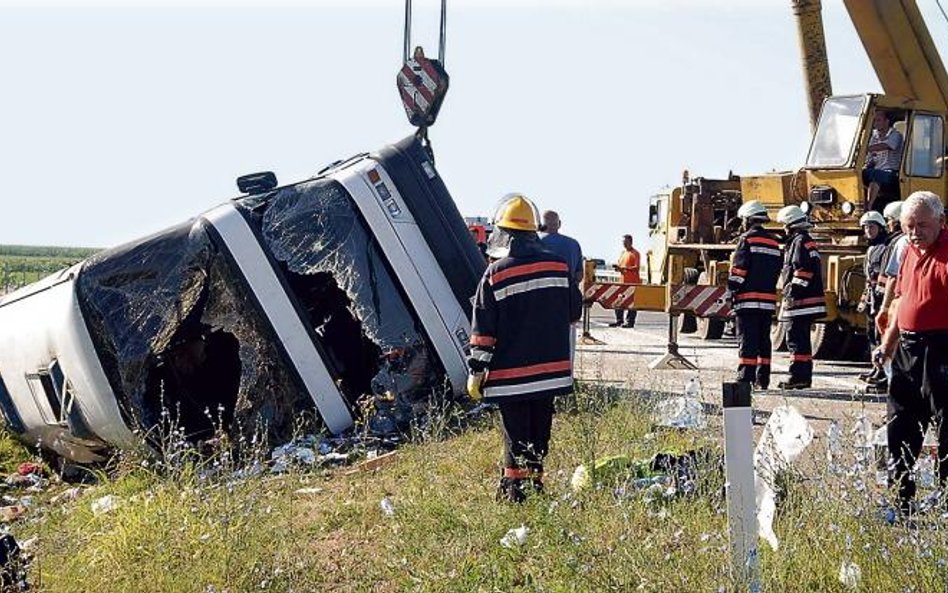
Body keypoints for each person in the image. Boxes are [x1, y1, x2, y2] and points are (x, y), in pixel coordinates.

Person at [467, 193, 582, 503]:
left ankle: (515, 492)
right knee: (539, 431)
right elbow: (575, 313)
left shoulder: (495, 274)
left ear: (503, 234)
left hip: (510, 375)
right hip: (551, 374)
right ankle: (536, 484)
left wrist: (476, 370)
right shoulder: (559, 266)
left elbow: (483, 332)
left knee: (515, 434)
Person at [872, 191, 948, 514]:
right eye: (908, 225)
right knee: (900, 423)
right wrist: (886, 346)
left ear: (941, 222)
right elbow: (902, 302)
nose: (915, 232)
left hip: (942, 348)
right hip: (908, 348)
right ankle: (900, 501)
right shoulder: (908, 250)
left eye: (922, 225)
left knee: (947, 426)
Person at [728, 201, 782, 390]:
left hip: (747, 301)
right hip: (767, 302)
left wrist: (731, 290)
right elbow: (777, 271)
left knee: (747, 340)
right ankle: (763, 379)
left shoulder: (746, 240)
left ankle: (745, 377)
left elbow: (739, 271)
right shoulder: (774, 242)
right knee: (763, 341)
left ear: (747, 220)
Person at [776, 205, 825, 389]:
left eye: (784, 225)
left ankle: (797, 376)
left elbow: (802, 271)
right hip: (808, 301)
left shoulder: (799, 242)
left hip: (801, 302)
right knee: (802, 341)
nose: (783, 229)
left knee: (796, 341)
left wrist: (791, 293)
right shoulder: (805, 241)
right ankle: (803, 377)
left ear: (790, 224)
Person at [857, 211, 889, 389]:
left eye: (872, 226)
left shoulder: (884, 248)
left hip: (881, 297)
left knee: (881, 334)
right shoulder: (871, 249)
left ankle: (883, 371)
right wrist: (864, 299)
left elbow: (883, 276)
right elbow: (869, 278)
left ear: (880, 228)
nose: (868, 230)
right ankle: (875, 368)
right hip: (872, 297)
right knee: (871, 335)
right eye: (866, 227)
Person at [875, 201, 909, 337]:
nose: (887, 224)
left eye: (889, 220)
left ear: (897, 221)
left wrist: (884, 306)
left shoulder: (898, 242)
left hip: (894, 299)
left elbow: (892, 276)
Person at [862, 110, 903, 213]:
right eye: (874, 121)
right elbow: (871, 157)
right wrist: (868, 162)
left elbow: (888, 145)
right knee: (861, 174)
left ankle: (868, 206)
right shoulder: (874, 137)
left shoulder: (895, 135)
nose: (876, 123)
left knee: (875, 175)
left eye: (878, 120)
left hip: (891, 172)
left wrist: (865, 148)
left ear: (887, 121)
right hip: (877, 170)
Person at [540, 210, 583, 283]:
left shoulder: (537, 243)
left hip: (544, 290)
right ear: (559, 224)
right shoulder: (574, 244)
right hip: (568, 290)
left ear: (542, 225)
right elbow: (579, 275)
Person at [609, 234, 640, 328]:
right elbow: (621, 267)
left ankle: (630, 322)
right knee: (618, 301)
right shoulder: (623, 253)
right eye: (623, 242)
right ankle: (619, 320)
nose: (624, 244)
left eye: (626, 242)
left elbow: (636, 267)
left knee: (632, 304)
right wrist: (618, 268)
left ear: (630, 242)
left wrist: (624, 268)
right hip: (622, 282)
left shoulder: (635, 253)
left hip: (632, 282)